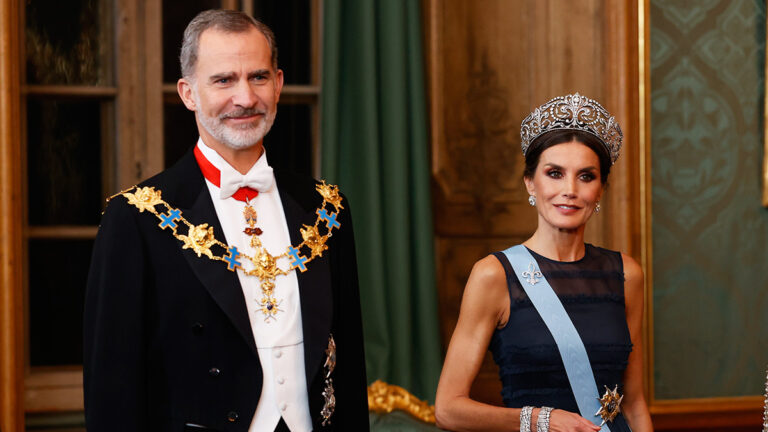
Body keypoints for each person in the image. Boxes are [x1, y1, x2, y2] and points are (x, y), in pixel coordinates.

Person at [84, 9, 369, 432]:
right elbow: (113, 389)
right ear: (188, 93)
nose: (245, 98)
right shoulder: (137, 218)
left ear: (279, 84)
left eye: (258, 77)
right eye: (223, 80)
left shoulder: (325, 207)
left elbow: (348, 366)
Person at [434, 93, 653, 432]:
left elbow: (635, 405)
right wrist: (540, 419)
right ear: (530, 183)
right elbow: (448, 410)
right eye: (554, 173)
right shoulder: (493, 275)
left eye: (586, 176)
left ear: (601, 190)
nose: (569, 189)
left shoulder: (627, 274)